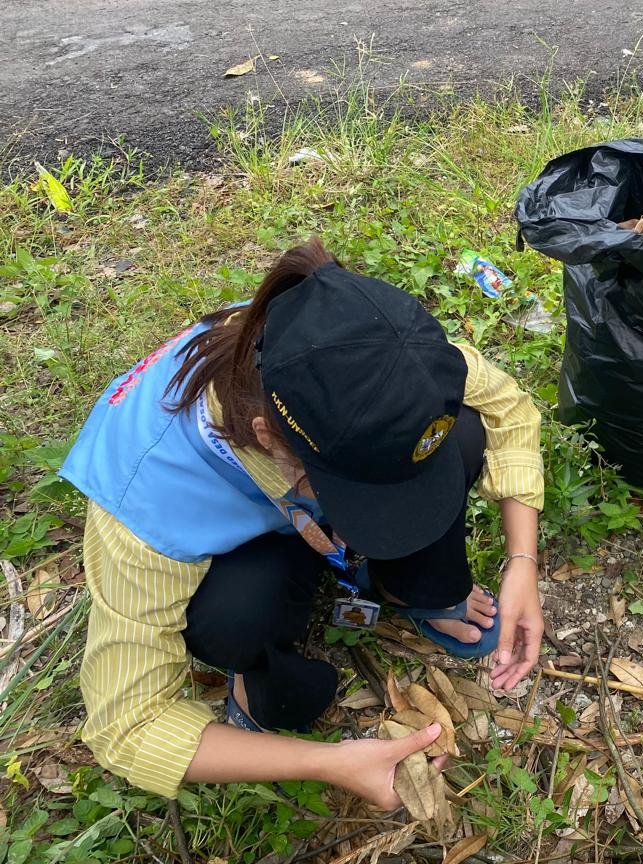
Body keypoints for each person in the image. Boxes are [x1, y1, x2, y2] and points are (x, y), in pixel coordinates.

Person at [61, 238, 546, 808]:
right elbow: (126, 727)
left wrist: (523, 561)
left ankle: (412, 586)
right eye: (352, 487)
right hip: (244, 551)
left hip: (299, 485)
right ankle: (259, 670)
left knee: (456, 435)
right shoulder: (142, 494)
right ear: (268, 438)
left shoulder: (367, 351)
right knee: (235, 617)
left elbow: (508, 406)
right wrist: (330, 764)